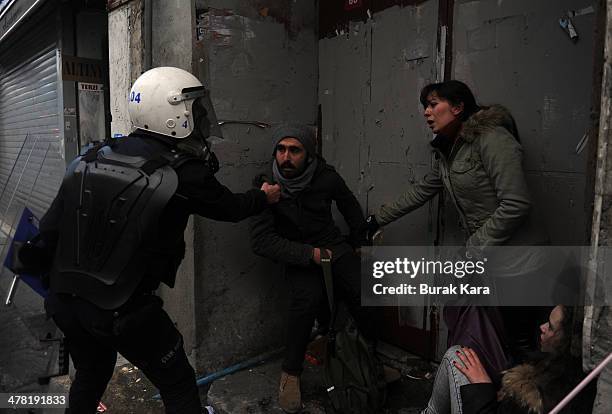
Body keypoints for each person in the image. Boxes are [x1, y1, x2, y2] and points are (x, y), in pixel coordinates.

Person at [34, 67, 280, 413]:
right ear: (171, 115)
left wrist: (55, 294)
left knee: (91, 373)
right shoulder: (183, 171)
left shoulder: (93, 154)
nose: (202, 117)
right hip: (124, 311)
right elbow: (231, 207)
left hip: (67, 301)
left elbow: (46, 235)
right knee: (177, 382)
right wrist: (263, 196)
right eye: (194, 109)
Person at [365, 80, 548, 377]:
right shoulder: (449, 151)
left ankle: (529, 404)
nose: (426, 112)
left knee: (524, 345)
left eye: (433, 103)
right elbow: (422, 191)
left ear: (459, 107)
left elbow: (516, 203)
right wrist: (376, 219)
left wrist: (473, 249)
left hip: (520, 261)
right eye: (425, 105)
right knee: (498, 341)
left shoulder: (492, 139)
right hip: (491, 260)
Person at [249, 123, 376, 413]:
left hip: (332, 245)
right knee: (306, 301)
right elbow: (262, 241)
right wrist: (309, 254)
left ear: (308, 154)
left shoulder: (325, 177)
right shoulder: (265, 186)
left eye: (295, 150)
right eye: (281, 149)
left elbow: (350, 206)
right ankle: (290, 373)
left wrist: (358, 241)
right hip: (299, 252)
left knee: (364, 292)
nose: (286, 157)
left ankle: (366, 359)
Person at [419, 305, 591, 414]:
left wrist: (482, 387)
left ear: (566, 342)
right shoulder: (564, 370)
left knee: (456, 356)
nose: (543, 327)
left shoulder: (541, 398)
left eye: (551, 327)